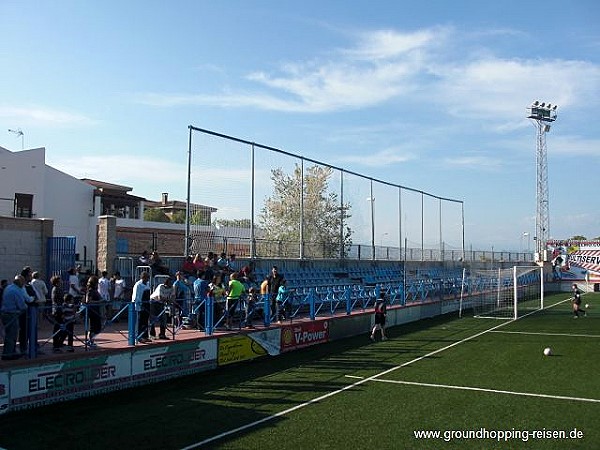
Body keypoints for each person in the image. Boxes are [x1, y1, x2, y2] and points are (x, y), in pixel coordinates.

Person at [1, 276, 29, 360]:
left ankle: (10, 352)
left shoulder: (8, 287)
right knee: (12, 335)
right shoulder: (17, 291)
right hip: (11, 314)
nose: (23, 285)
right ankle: (8, 355)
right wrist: (27, 306)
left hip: (4, 313)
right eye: (23, 283)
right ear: (20, 283)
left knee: (9, 334)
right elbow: (22, 306)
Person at [132, 272, 151, 343]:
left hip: (146, 304)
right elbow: (135, 297)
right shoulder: (138, 285)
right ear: (143, 277)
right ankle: (138, 337)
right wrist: (140, 305)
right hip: (139, 306)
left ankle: (145, 336)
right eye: (146, 278)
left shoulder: (148, 284)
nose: (147, 279)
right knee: (139, 322)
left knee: (145, 321)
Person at [84, 276, 103, 348]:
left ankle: (91, 340)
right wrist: (99, 301)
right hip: (92, 311)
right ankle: (90, 341)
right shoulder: (90, 291)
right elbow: (88, 301)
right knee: (94, 327)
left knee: (97, 327)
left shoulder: (95, 290)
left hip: (96, 310)